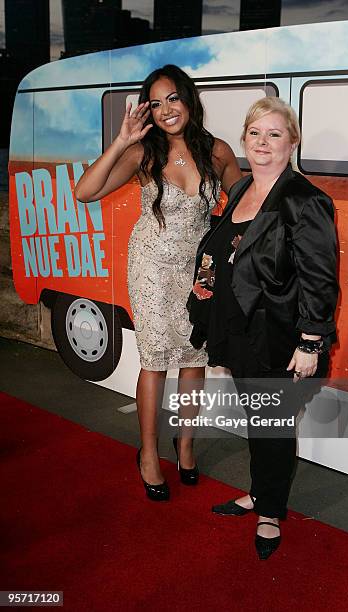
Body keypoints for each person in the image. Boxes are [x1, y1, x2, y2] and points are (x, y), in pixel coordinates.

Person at [75, 65, 241, 501]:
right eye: (156, 102)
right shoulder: (143, 153)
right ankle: (148, 453)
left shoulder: (218, 151)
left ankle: (184, 445)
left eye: (173, 98)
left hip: (200, 270)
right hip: (151, 267)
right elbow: (85, 191)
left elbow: (245, 205)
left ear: (188, 99)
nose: (166, 110)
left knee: (194, 359)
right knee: (155, 362)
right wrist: (122, 141)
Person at [188, 97, 338, 558]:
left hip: (278, 335)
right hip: (237, 329)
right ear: (244, 140)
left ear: (292, 142)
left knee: (271, 423)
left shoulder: (305, 200)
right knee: (258, 418)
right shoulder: (240, 189)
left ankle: (269, 511)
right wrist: (205, 283)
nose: (263, 143)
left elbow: (320, 275)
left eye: (275, 134)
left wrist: (311, 342)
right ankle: (259, 492)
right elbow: (222, 245)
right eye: (255, 133)